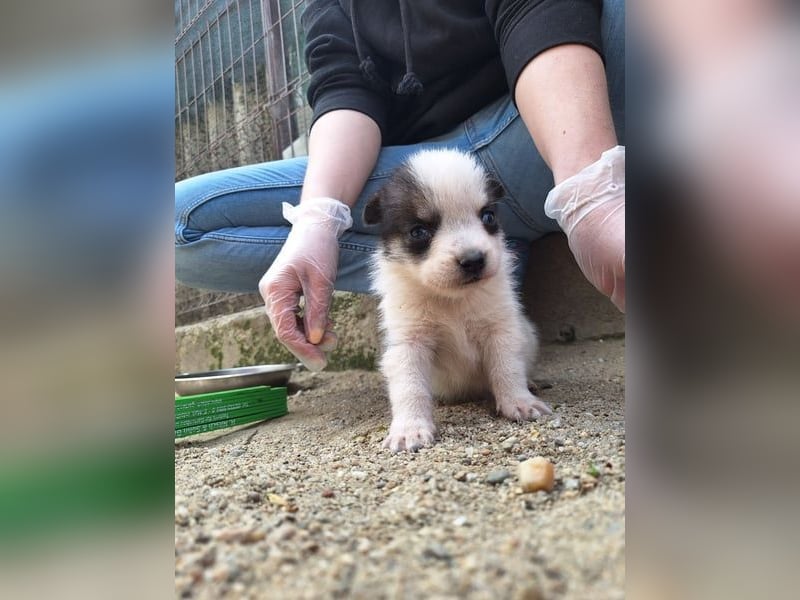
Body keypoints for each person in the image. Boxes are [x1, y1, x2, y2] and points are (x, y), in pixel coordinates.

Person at [175, 0, 626, 371]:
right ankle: (451, 256)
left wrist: (589, 185)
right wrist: (318, 218)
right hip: (409, 177)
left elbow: (538, 9)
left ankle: (549, 210)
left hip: (545, 114)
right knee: (172, 226)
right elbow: (343, 88)